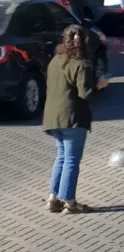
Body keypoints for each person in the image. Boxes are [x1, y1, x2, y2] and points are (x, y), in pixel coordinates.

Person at [43, 25, 109, 214]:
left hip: (52, 117)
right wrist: (100, 86)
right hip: (73, 117)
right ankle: (69, 202)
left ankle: (52, 198)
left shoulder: (55, 61)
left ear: (64, 40)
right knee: (71, 160)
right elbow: (85, 93)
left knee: (62, 157)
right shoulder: (82, 64)